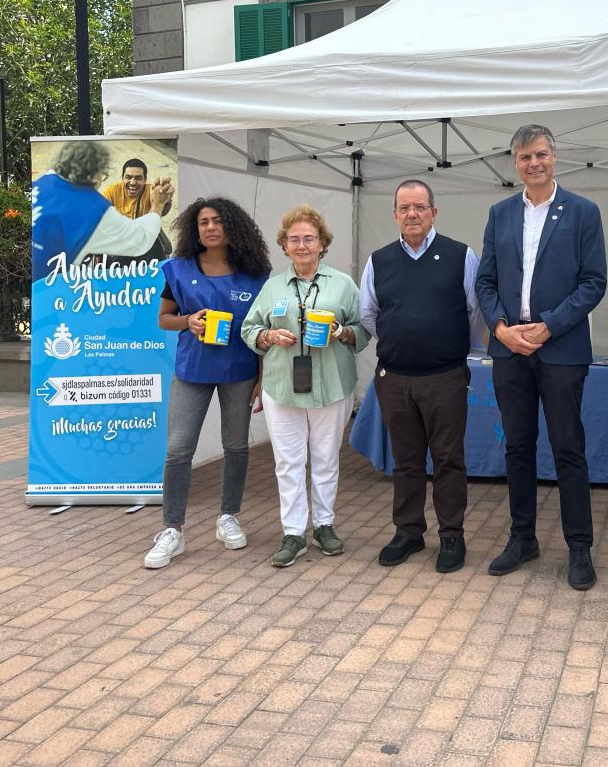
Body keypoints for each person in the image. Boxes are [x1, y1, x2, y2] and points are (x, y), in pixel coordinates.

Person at [475, 124, 607, 590]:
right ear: (515, 163)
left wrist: (550, 324)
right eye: (526, 157)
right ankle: (523, 537)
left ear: (554, 157)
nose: (535, 163)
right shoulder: (500, 214)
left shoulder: (583, 212)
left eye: (542, 154)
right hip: (510, 349)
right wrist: (500, 329)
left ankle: (579, 548)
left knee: (569, 449)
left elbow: (594, 282)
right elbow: (485, 282)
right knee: (517, 447)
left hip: (561, 348)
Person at [360, 180, 486, 573]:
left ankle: (452, 535)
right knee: (406, 461)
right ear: (395, 214)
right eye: (404, 208)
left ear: (434, 212)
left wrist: (443, 345)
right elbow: (369, 313)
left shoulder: (460, 255)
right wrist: (404, 338)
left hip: (445, 376)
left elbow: (476, 313)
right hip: (394, 378)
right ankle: (409, 531)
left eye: (419, 206)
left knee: (449, 459)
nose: (411, 214)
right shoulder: (378, 261)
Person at [143, 198, 271, 569]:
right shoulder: (179, 269)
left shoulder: (255, 273)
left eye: (217, 221)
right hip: (192, 370)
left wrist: (262, 378)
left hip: (240, 370)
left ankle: (228, 517)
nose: (210, 228)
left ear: (233, 227)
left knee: (236, 446)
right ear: (194, 230)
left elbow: (259, 328)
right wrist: (189, 322)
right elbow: (164, 319)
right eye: (203, 222)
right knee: (179, 450)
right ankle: (172, 530)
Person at [241, 205, 368, 568]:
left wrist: (341, 332)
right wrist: (267, 335)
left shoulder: (343, 284)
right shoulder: (272, 287)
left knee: (326, 459)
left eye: (309, 238)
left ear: (322, 244)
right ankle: (293, 532)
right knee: (288, 462)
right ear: (283, 245)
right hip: (282, 386)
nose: (301, 245)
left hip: (331, 384)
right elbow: (248, 330)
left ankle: (324, 525)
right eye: (294, 239)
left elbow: (364, 330)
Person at [31, 140, 172, 280]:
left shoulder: (42, 182)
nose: (133, 183)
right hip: (49, 285)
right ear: (95, 174)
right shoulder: (94, 208)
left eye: (138, 178)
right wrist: (157, 205)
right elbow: (140, 240)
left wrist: (165, 202)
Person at [101, 159, 173, 219]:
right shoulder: (112, 191)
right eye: (128, 177)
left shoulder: (152, 191)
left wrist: (166, 199)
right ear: (122, 178)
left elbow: (163, 213)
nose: (132, 182)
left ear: (145, 179)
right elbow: (100, 215)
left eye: (138, 178)